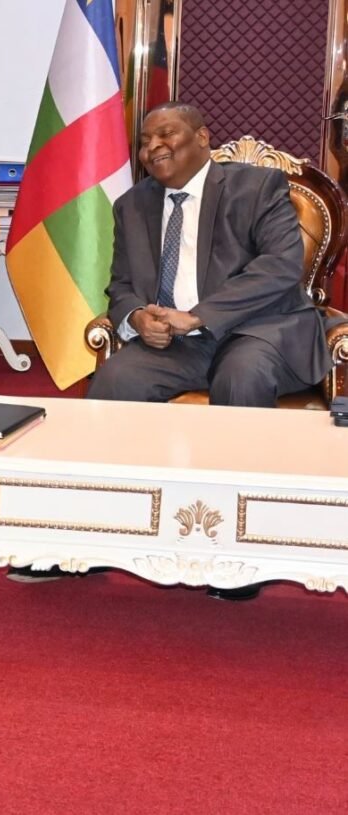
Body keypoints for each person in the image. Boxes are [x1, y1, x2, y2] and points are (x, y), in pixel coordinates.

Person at [84, 101, 330, 601]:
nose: (153, 148)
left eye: (166, 135)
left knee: (240, 377)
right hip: (177, 343)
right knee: (115, 381)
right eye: (145, 141)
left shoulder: (256, 188)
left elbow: (280, 268)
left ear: (202, 137)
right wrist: (137, 318)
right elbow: (122, 285)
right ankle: (99, 529)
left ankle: (244, 547)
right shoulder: (132, 206)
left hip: (259, 330)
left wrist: (200, 315)